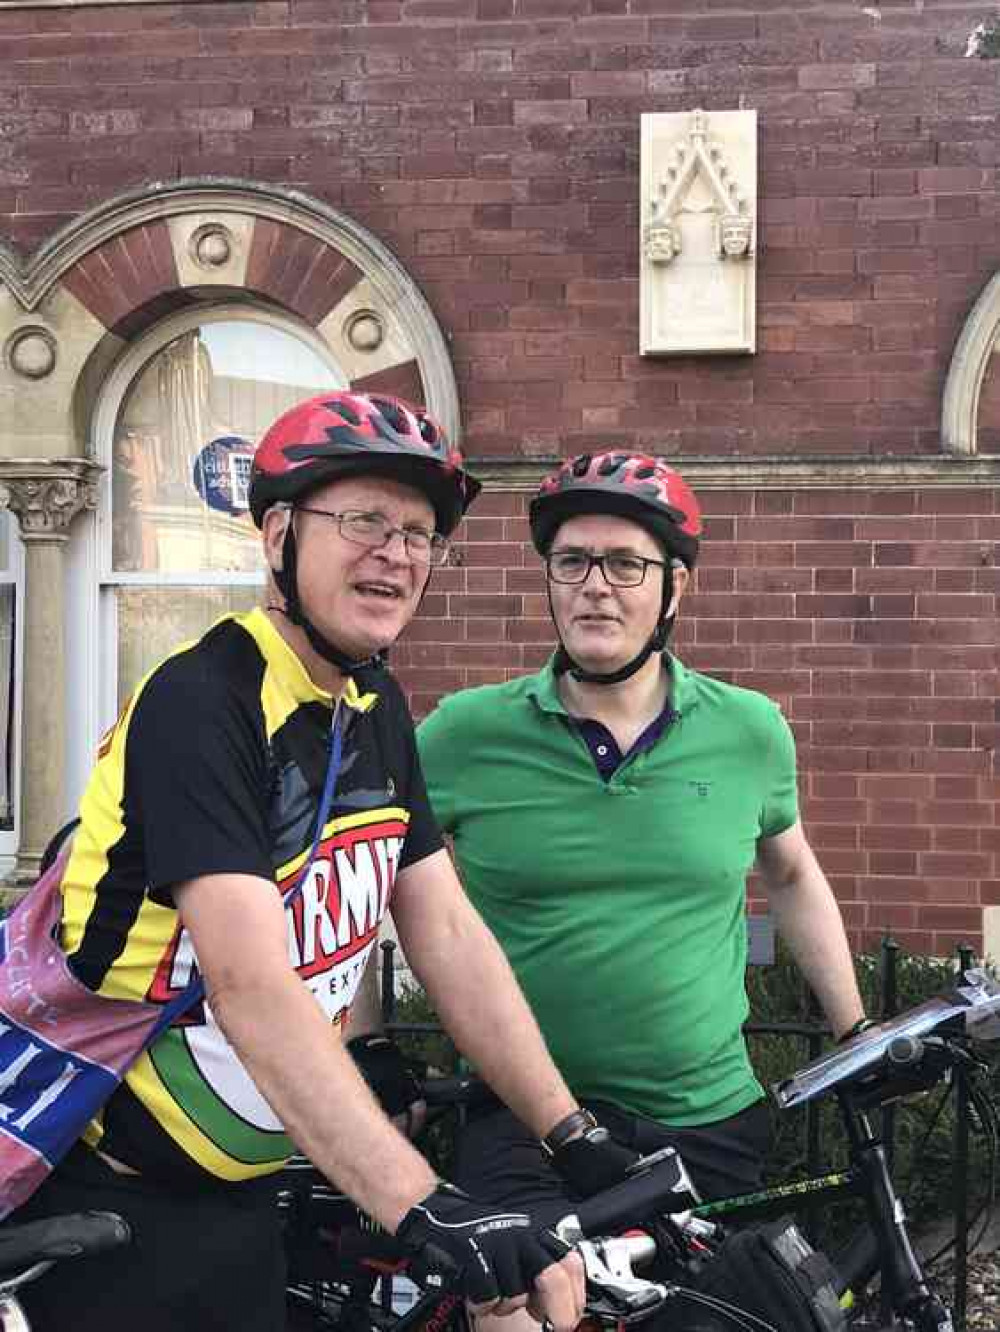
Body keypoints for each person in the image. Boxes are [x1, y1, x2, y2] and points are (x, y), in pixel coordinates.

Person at [14, 395, 639, 1332]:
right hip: (108, 1213)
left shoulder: (373, 706)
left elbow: (447, 931)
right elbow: (249, 982)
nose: (395, 553)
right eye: (363, 522)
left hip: (242, 1200)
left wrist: (571, 1132)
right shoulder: (203, 701)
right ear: (276, 536)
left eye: (420, 534)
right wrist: (424, 1204)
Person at [413, 450, 869, 1246]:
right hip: (523, 1117)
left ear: (674, 586)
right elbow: (367, 875)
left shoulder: (749, 730)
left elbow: (792, 873)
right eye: (572, 561)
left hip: (706, 1119)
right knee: (526, 1306)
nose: (596, 584)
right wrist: (361, 1046)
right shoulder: (462, 733)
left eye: (626, 563)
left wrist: (855, 1035)